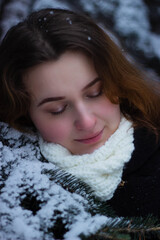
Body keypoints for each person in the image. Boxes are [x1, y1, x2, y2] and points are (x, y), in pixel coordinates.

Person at [0, 8, 160, 218]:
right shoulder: (15, 196)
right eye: (57, 109)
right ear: (24, 113)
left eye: (95, 93)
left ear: (117, 82)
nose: (86, 121)